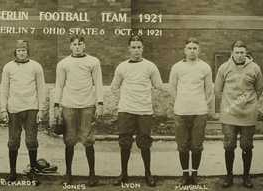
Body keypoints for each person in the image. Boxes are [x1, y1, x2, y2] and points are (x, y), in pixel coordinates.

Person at [111, 35, 163, 187]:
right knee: (124, 142)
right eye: (133, 47)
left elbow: (158, 86)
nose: (136, 50)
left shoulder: (150, 66)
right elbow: (114, 87)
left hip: (144, 111)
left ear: (143, 48)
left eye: (139, 47)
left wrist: (149, 98)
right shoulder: (122, 67)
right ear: (129, 49)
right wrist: (122, 101)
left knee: (145, 142)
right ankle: (124, 174)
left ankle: (148, 173)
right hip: (126, 110)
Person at [54, 35, 104, 187]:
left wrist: (100, 102)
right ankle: (68, 174)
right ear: (70, 46)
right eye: (74, 44)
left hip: (88, 105)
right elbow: (59, 85)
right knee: (69, 140)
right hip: (69, 105)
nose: (77, 47)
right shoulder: (63, 63)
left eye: (80, 44)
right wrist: (56, 105)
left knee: (88, 140)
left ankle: (92, 174)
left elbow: (99, 83)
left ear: (84, 46)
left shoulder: (93, 62)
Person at [215, 40, 263, 188]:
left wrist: (254, 106)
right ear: (232, 53)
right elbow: (218, 90)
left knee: (247, 146)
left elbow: (259, 89)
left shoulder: (255, 68)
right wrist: (227, 106)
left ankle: (246, 177)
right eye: (237, 52)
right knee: (229, 146)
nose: (240, 55)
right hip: (229, 115)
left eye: (242, 52)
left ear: (246, 53)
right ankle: (229, 176)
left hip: (248, 115)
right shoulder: (224, 67)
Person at [0, 40, 46, 185]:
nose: (21, 52)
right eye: (19, 50)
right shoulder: (8, 67)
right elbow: (4, 89)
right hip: (13, 109)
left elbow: (41, 88)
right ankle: (12, 172)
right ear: (15, 52)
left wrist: (41, 109)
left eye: (24, 50)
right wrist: (3, 109)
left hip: (31, 108)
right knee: (13, 141)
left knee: (31, 141)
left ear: (28, 51)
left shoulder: (36, 66)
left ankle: (32, 171)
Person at [169, 37, 214, 185]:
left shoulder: (205, 67)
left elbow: (209, 91)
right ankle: (184, 175)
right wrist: (180, 102)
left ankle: (194, 174)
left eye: (195, 48)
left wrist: (202, 105)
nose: (192, 51)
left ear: (199, 50)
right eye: (189, 48)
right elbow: (172, 88)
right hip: (181, 112)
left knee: (196, 145)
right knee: (182, 145)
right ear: (185, 50)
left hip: (199, 113)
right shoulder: (177, 67)